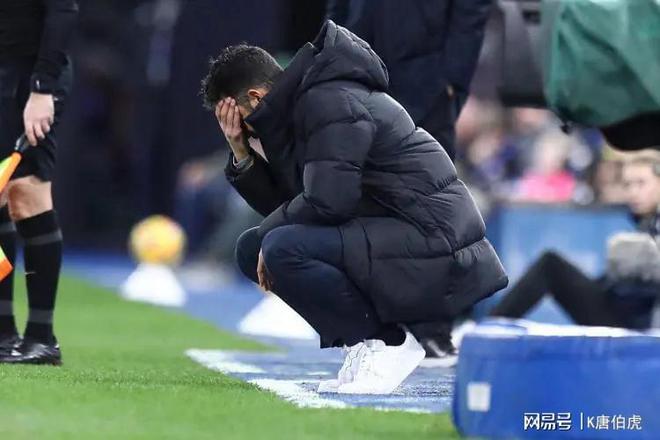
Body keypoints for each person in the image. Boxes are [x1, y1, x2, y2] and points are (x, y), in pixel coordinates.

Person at [200, 21, 507, 394]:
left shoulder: (329, 101)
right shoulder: (302, 106)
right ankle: (365, 340)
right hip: (397, 231)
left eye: (241, 121)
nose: (246, 130)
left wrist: (270, 236)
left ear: (256, 96)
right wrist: (242, 153)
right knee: (254, 248)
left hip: (437, 242)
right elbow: (292, 207)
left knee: (279, 246)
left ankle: (389, 343)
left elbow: (329, 202)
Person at [326, 0, 493, 359]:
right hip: (358, 81)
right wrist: (332, 62)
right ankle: (373, 326)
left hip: (426, 85)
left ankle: (433, 328)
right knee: (361, 204)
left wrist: (453, 79)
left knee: (432, 212)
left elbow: (472, 10)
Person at [490, 150, 660, 329]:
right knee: (554, 267)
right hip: (620, 309)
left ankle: (491, 327)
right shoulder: (645, 223)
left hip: (634, 323)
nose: (633, 192)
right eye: (627, 185)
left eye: (641, 183)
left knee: (550, 266)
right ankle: (492, 326)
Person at [0, 0, 78, 365]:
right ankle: (3, 334)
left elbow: (63, 10)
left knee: (26, 191)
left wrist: (42, 87)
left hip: (31, 79)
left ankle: (41, 337)